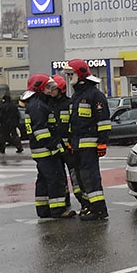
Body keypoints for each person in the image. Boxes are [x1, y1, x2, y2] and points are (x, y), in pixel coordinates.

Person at [66, 59, 111, 221]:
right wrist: (71, 142)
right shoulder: (77, 96)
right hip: (78, 145)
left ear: (80, 74)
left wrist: (102, 142)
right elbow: (74, 122)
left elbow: (104, 121)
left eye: (71, 73)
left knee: (91, 177)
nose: (69, 76)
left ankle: (99, 209)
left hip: (90, 145)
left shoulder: (95, 95)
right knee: (82, 177)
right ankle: (89, 206)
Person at [22, 73, 72, 218]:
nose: (50, 90)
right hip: (46, 150)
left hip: (40, 150)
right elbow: (41, 131)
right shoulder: (38, 105)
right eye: (47, 87)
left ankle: (43, 210)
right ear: (39, 88)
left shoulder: (35, 103)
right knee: (55, 179)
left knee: (43, 180)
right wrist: (55, 147)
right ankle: (58, 210)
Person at [48, 74, 88, 212]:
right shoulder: (48, 105)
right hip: (55, 147)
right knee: (58, 178)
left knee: (76, 178)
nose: (51, 92)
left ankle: (84, 202)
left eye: (53, 89)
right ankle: (64, 202)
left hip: (69, 148)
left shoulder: (69, 104)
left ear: (61, 89)